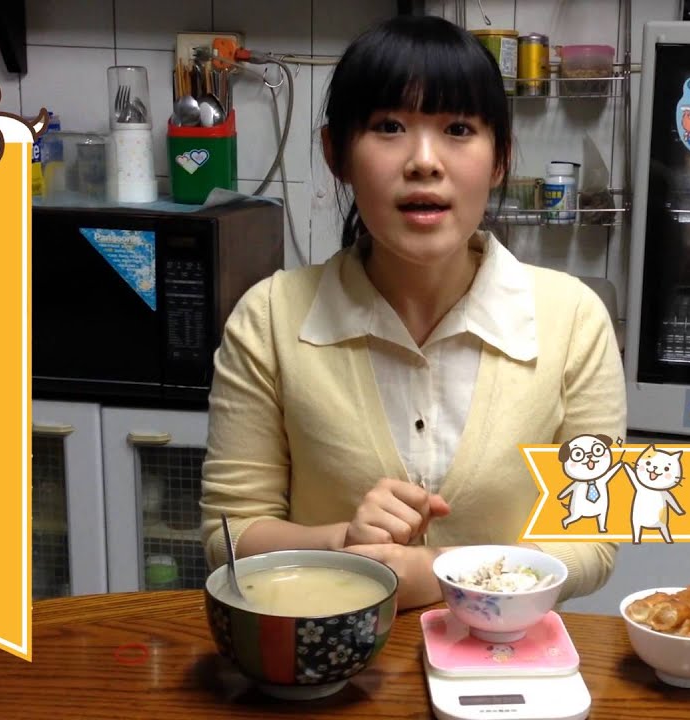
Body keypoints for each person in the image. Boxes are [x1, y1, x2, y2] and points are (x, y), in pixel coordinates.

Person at [199, 15, 625, 610]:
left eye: (458, 128)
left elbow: (593, 536)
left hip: (509, 659)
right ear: (335, 153)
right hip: (330, 655)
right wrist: (342, 545)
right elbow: (231, 534)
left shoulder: (574, 320)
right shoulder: (269, 319)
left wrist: (441, 573)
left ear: (499, 158)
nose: (425, 161)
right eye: (389, 127)